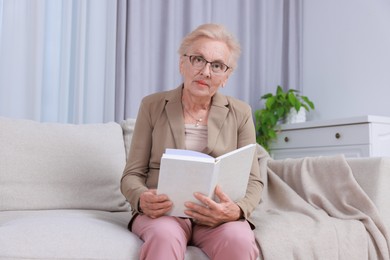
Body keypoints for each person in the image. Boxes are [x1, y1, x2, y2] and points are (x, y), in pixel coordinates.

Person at [121, 23, 263, 260]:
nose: (206, 72)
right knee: (164, 236)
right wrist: (141, 198)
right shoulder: (152, 106)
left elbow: (254, 181)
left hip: (216, 215)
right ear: (182, 63)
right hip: (164, 214)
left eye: (217, 66)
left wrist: (236, 210)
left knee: (239, 240)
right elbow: (131, 174)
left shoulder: (241, 112)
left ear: (226, 77)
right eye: (198, 59)